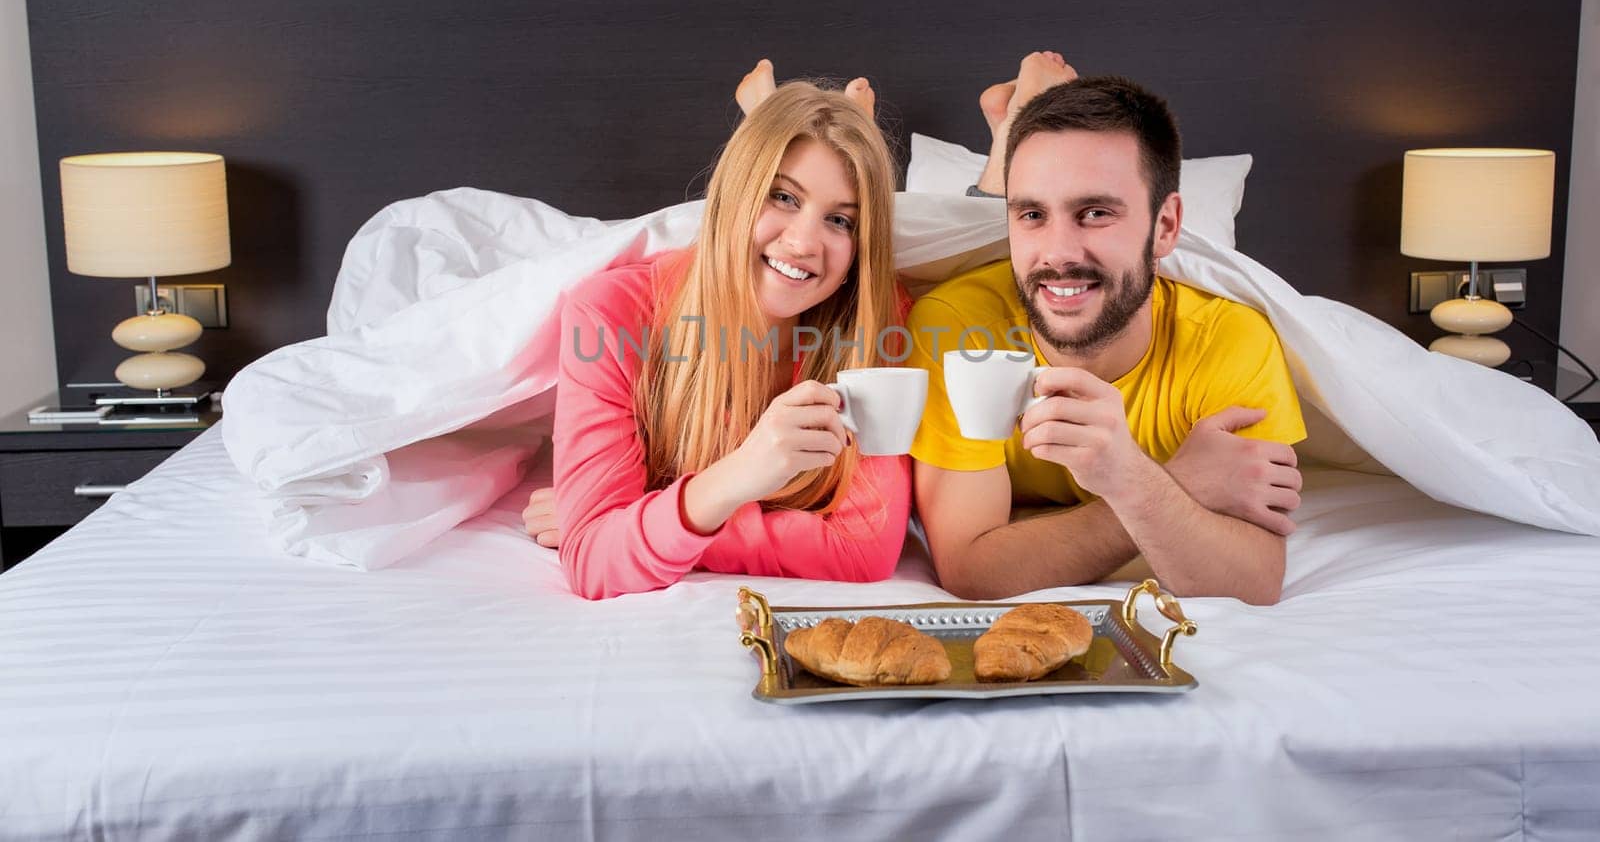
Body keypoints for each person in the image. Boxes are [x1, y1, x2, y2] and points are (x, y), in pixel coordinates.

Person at [906, 55, 1306, 606]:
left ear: (1165, 226)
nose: (1059, 254)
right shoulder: (959, 328)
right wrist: (1171, 485)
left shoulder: (1229, 339)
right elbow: (972, 570)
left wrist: (1124, 475)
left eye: (1095, 213)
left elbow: (1253, 580)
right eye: (1031, 215)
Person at [525, 62, 911, 599]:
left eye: (841, 220)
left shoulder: (875, 323)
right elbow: (594, 565)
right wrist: (739, 476)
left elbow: (863, 551)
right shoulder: (609, 316)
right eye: (783, 196)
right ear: (734, 195)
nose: (804, 242)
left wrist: (644, 523)